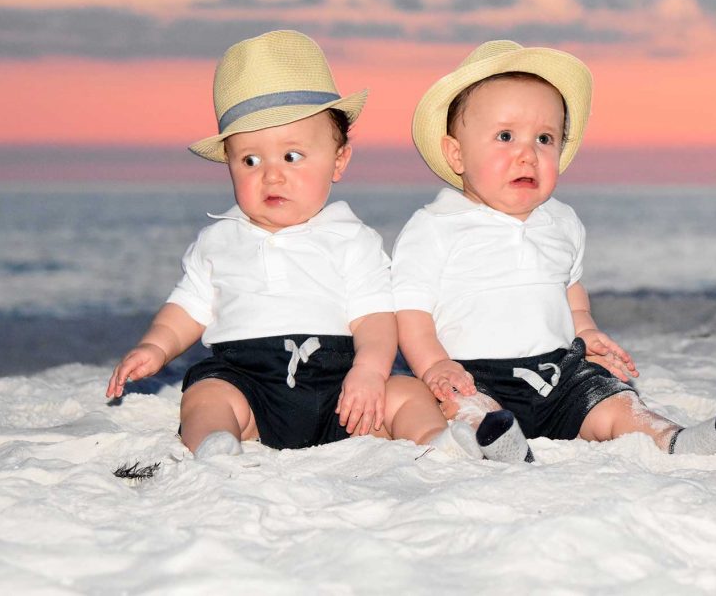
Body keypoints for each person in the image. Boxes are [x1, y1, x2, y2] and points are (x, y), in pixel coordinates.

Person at [105, 30, 481, 460]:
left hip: (340, 386)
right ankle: (214, 441)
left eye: (292, 156)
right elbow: (186, 310)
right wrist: (155, 346)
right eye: (250, 159)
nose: (272, 175)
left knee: (403, 393)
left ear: (338, 160)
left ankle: (435, 441)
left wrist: (368, 371)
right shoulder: (218, 241)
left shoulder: (351, 238)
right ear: (228, 163)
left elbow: (375, 319)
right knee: (206, 395)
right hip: (247, 380)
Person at [392, 40, 716, 459]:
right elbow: (411, 314)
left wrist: (586, 332)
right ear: (456, 153)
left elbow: (570, 291)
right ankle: (493, 440)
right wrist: (435, 365)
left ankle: (670, 437)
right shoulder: (434, 227)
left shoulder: (561, 222)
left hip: (556, 372)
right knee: (465, 406)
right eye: (505, 136)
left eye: (545, 138)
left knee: (614, 398)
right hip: (471, 372)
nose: (527, 154)